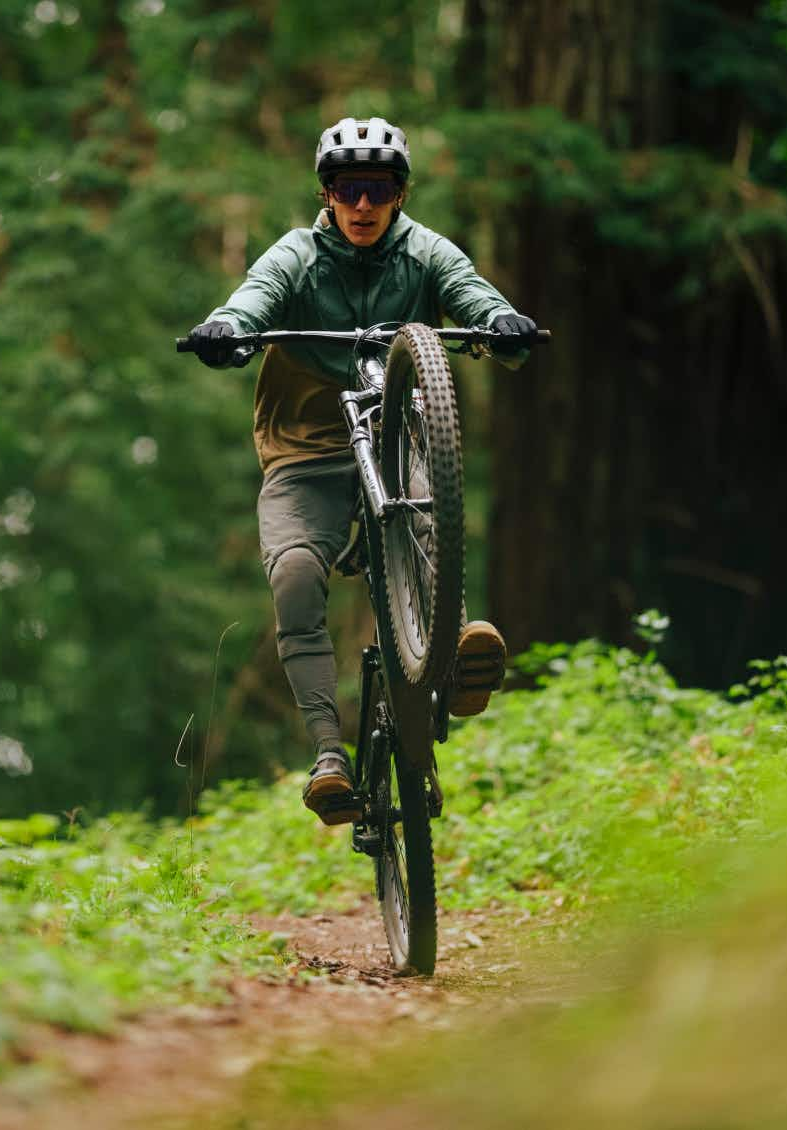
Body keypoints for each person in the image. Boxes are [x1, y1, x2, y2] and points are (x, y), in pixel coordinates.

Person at [188, 117, 537, 824]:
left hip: (397, 433)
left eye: (378, 187)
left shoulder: (424, 251)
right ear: (328, 192)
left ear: (400, 195)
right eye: (350, 188)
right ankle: (328, 754)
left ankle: (453, 644)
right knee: (292, 575)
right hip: (305, 446)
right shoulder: (297, 254)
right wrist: (228, 327)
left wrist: (502, 323)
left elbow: (470, 291)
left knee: (422, 506)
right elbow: (256, 294)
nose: (363, 205)